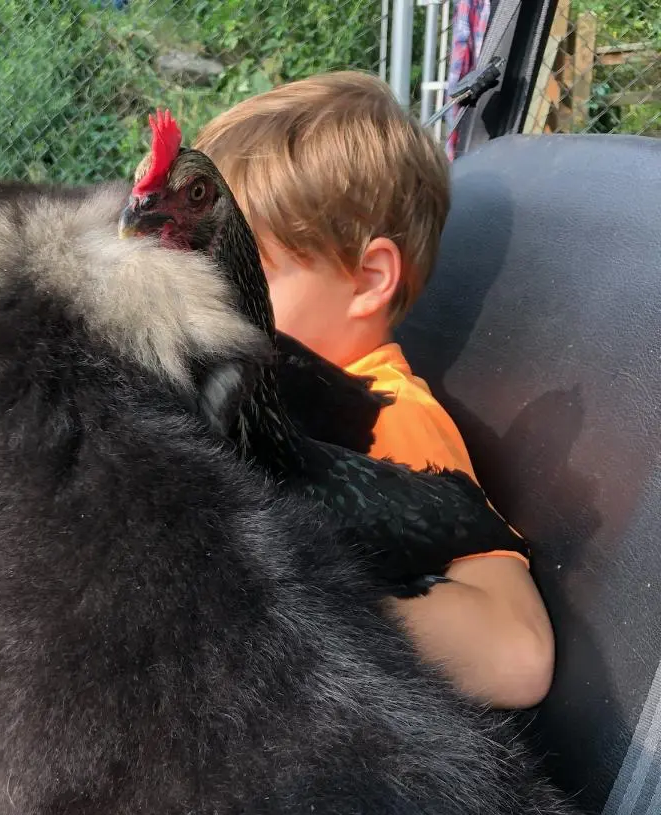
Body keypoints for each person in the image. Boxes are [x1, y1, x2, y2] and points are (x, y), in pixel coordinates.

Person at [194, 70, 554, 710]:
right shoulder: (264, 400)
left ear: (367, 280)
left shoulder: (395, 421)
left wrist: (285, 598)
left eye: (248, 273)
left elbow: (517, 654)